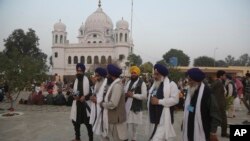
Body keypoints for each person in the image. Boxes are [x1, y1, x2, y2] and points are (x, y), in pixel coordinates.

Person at [182, 68, 221, 141]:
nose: (188, 82)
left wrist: (213, 132)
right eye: (188, 80)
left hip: (202, 130)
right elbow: (190, 108)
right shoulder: (190, 91)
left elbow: (215, 114)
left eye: (190, 80)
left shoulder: (207, 94)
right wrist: (184, 121)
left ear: (196, 81)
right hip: (189, 127)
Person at [148, 63, 179, 141]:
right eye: (154, 74)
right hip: (154, 118)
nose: (155, 76)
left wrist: (159, 101)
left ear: (163, 75)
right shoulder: (155, 85)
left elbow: (175, 100)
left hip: (164, 119)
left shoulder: (171, 84)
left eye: (157, 74)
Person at [101, 64, 128, 141]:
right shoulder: (114, 85)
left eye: (108, 74)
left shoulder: (117, 86)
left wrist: (102, 104)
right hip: (113, 118)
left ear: (111, 75)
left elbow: (113, 104)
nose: (107, 76)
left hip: (117, 120)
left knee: (118, 138)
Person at [70, 63, 93, 141]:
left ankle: (91, 139)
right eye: (78, 70)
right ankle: (77, 138)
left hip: (85, 105)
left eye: (80, 71)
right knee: (76, 122)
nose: (79, 72)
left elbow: (92, 91)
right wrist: (74, 96)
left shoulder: (88, 79)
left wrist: (85, 97)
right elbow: (73, 91)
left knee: (88, 124)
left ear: (83, 71)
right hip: (77, 105)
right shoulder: (75, 80)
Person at [124, 66, 147, 141]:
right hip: (127, 107)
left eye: (135, 73)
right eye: (132, 73)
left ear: (137, 74)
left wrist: (133, 95)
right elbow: (125, 91)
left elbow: (144, 96)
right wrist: (126, 94)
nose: (133, 74)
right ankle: (126, 138)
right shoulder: (128, 82)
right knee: (126, 125)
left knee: (135, 128)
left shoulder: (142, 83)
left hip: (136, 108)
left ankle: (134, 139)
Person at [89, 67, 108, 139]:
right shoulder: (97, 83)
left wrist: (97, 100)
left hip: (103, 110)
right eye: (96, 75)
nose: (96, 77)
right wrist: (92, 97)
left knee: (104, 130)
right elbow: (95, 93)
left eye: (97, 75)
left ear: (102, 76)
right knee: (98, 130)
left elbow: (107, 97)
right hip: (96, 108)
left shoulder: (106, 83)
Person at [210, 70, 229, 138]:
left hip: (218, 104)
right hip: (219, 105)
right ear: (221, 76)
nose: (225, 76)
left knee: (216, 119)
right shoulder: (218, 83)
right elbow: (215, 95)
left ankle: (214, 133)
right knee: (222, 119)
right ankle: (223, 133)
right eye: (224, 75)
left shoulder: (217, 82)